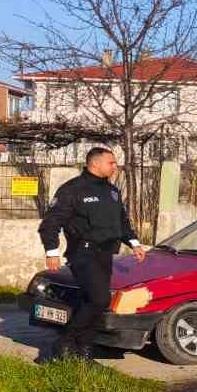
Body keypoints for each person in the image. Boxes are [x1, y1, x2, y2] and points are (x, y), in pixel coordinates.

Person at [38, 146, 146, 361]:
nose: (115, 166)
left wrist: (134, 243)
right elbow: (51, 223)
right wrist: (52, 251)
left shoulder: (112, 191)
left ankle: (84, 353)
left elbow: (122, 222)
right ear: (95, 164)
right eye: (111, 163)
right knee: (100, 299)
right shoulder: (72, 190)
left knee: (93, 301)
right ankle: (65, 342)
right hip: (82, 253)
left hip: (105, 254)